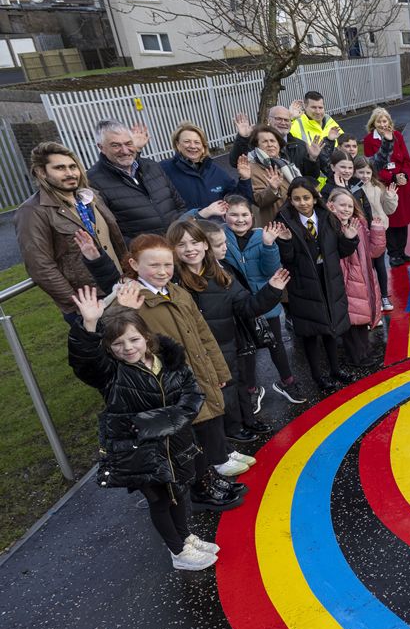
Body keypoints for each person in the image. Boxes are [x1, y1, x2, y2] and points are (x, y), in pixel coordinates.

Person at [67, 286, 218, 571]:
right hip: (139, 451)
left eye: (134, 340)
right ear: (109, 349)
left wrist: (169, 421)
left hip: (175, 444)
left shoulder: (170, 361)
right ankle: (178, 552)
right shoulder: (111, 373)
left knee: (178, 491)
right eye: (118, 345)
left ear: (146, 338)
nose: (128, 348)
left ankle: (185, 537)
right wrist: (88, 325)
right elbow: (84, 362)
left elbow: (192, 393)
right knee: (159, 500)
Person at [102, 234, 244, 511]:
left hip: (196, 375)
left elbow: (203, 333)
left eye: (167, 264)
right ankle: (199, 488)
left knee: (204, 431)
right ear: (134, 264)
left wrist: (217, 368)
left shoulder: (177, 292)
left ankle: (208, 478)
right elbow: (113, 346)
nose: (162, 271)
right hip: (167, 387)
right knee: (185, 439)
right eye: (153, 265)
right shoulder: (128, 304)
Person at [171, 218, 287, 443]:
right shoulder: (174, 281)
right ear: (173, 249)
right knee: (222, 390)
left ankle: (247, 421)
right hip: (203, 348)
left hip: (231, 342)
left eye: (194, 243)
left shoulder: (222, 274)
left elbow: (246, 307)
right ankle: (232, 429)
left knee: (239, 384)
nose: (190, 249)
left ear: (204, 245)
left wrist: (272, 290)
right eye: (182, 244)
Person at [16, 141, 128, 320]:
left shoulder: (91, 196)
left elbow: (113, 239)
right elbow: (41, 267)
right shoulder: (33, 211)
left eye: (72, 167)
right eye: (60, 168)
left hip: (120, 287)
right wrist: (77, 304)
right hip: (90, 303)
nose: (70, 173)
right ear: (41, 172)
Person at [274, 177, 358, 391]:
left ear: (314, 198)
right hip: (303, 283)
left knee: (330, 327)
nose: (302, 203)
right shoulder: (285, 221)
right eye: (296, 199)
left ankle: (335, 369)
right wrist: (284, 241)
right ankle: (318, 376)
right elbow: (288, 258)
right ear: (290, 201)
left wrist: (350, 238)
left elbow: (340, 251)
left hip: (328, 279)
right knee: (311, 332)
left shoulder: (327, 217)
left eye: (306, 197)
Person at [221, 197, 306, 406]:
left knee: (275, 344)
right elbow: (187, 224)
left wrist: (269, 245)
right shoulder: (219, 236)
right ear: (224, 216)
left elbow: (270, 270)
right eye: (233, 215)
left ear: (252, 216)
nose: (239, 220)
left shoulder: (262, 235)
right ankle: (251, 389)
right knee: (246, 351)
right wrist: (204, 213)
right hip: (238, 306)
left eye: (244, 215)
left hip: (265, 303)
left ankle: (287, 382)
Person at [87, 121, 221, 237]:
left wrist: (181, 235)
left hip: (179, 241)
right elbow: (111, 231)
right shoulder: (94, 181)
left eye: (129, 143)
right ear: (101, 147)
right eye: (116, 145)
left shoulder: (152, 166)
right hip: (148, 257)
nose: (125, 150)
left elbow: (179, 205)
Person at [327, 187, 387, 368]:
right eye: (342, 205)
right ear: (331, 206)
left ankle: (364, 351)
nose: (346, 209)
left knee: (361, 319)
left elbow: (374, 252)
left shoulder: (358, 224)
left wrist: (376, 231)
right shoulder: (330, 227)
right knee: (352, 322)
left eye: (350, 206)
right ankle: (358, 357)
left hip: (363, 278)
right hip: (346, 280)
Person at [361, 107, 410, 267]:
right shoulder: (369, 140)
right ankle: (393, 253)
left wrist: (405, 176)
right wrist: (392, 177)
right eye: (379, 121)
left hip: (402, 185)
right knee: (390, 220)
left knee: (404, 220)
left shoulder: (398, 136)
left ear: (389, 122)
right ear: (374, 123)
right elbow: (373, 166)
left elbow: (407, 160)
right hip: (384, 185)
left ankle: (401, 251)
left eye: (385, 120)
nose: (382, 123)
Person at [160, 122, 252, 212]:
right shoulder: (164, 169)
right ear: (177, 145)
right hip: (188, 226)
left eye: (197, 142)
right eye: (187, 141)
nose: (192, 146)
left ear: (203, 147)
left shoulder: (215, 171)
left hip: (215, 226)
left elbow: (241, 201)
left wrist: (245, 179)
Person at [354, 155, 401, 311]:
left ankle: (384, 296)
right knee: (366, 266)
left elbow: (388, 210)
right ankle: (371, 297)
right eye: (361, 172)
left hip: (378, 231)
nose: (364, 176)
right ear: (354, 172)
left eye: (367, 172)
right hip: (360, 232)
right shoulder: (353, 188)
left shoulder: (378, 187)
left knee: (380, 264)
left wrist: (390, 196)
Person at [231, 106, 322, 177]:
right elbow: (235, 163)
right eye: (278, 119)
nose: (283, 123)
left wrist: (312, 159)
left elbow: (311, 177)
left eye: (286, 120)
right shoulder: (255, 142)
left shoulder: (301, 145)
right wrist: (243, 138)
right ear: (269, 120)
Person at [244, 124, 299, 226]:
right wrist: (272, 189)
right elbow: (257, 200)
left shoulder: (285, 164)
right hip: (274, 226)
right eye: (265, 141)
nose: (270, 144)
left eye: (273, 141)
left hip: (294, 221)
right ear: (257, 146)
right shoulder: (251, 168)